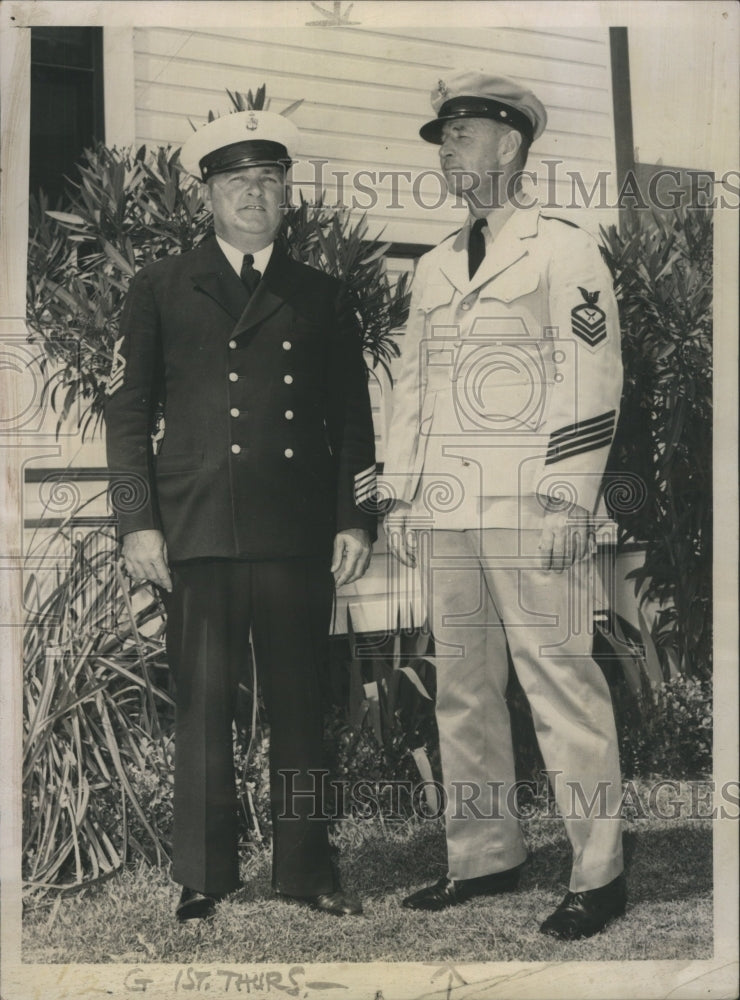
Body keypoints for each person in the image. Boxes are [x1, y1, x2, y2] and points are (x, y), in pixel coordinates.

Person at [105, 109, 376, 921]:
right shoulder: (158, 286)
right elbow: (125, 412)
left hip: (296, 533)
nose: (253, 196)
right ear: (208, 195)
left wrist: (357, 521)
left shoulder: (322, 294)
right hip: (197, 531)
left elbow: (354, 421)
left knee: (300, 705)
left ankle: (306, 869)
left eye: (268, 181)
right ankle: (204, 875)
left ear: (286, 193)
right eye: (236, 182)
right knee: (203, 706)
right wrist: (134, 521)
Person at [382, 71, 626, 940]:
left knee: (561, 679)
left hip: (530, 503)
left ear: (511, 144)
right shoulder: (438, 263)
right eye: (443, 136)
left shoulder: (564, 248)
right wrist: (403, 496)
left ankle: (598, 873)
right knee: (462, 688)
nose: (447, 149)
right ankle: (485, 855)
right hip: (449, 508)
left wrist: (569, 501)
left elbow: (593, 379)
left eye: (461, 134)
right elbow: (413, 386)